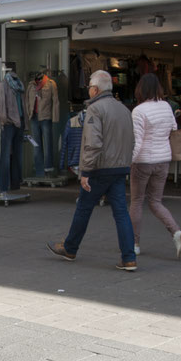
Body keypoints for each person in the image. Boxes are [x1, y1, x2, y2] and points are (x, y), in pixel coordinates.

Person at [47, 70, 137, 271]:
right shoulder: (124, 110)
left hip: (99, 168)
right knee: (121, 212)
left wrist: (85, 171)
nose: (88, 90)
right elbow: (132, 141)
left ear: (95, 89)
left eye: (89, 87)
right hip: (119, 167)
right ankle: (129, 257)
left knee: (84, 208)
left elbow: (93, 144)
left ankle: (70, 248)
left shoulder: (95, 110)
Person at [129, 73, 181, 260]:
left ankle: (134, 243)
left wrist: (129, 161)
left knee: (137, 201)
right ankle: (176, 233)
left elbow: (137, 141)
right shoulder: (166, 107)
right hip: (163, 160)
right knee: (156, 201)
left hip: (143, 161)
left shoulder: (138, 111)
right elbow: (172, 129)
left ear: (140, 89)